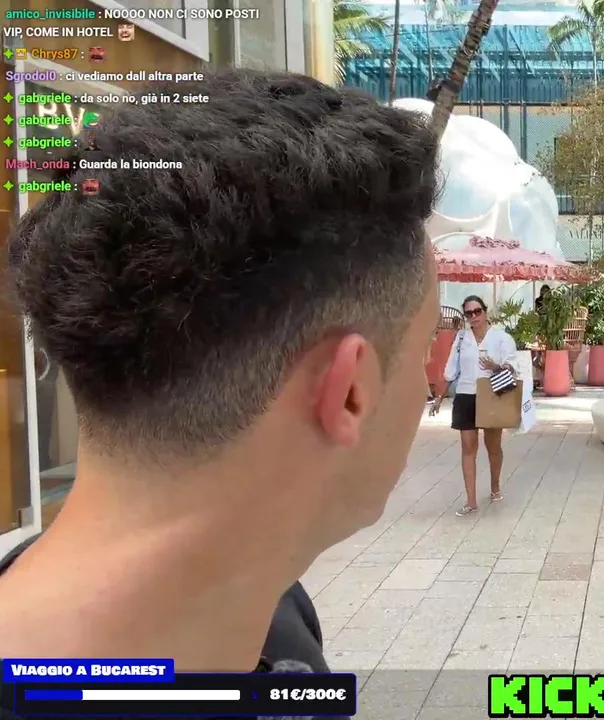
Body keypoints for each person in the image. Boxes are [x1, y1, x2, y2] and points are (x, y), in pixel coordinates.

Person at [0, 70, 440, 682]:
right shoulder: (267, 611)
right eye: (424, 351)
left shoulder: (274, 615)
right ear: (348, 392)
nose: (426, 385)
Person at [432, 296, 517, 516]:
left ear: (485, 312)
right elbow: (451, 370)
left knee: (493, 446)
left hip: (491, 394)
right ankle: (471, 501)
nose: (474, 317)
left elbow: (513, 367)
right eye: (469, 313)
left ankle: (495, 486)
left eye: (477, 311)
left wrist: (495, 366)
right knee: (468, 448)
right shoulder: (461, 338)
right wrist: (439, 397)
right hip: (465, 394)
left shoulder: (501, 338)